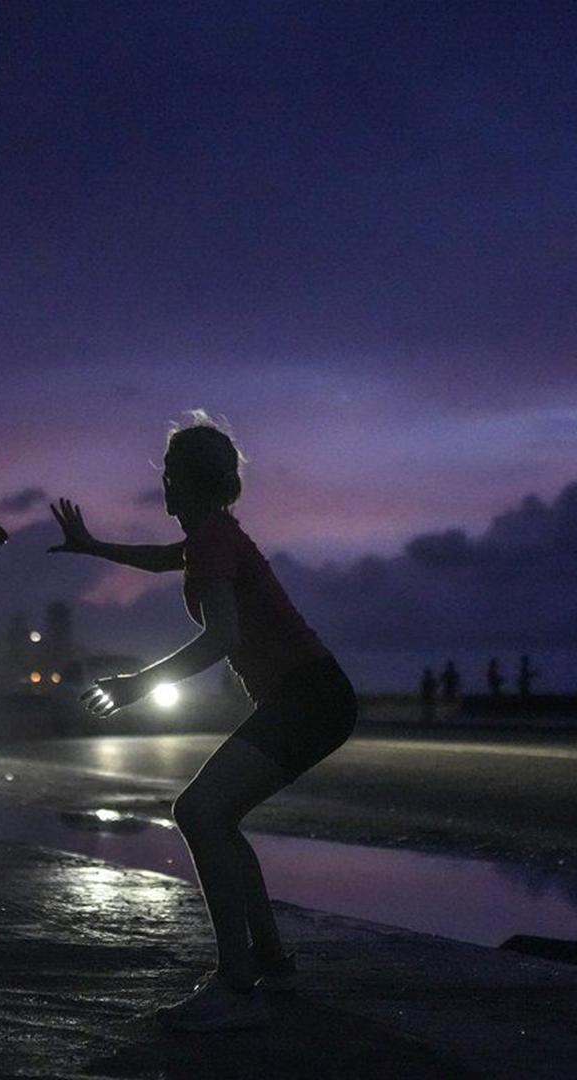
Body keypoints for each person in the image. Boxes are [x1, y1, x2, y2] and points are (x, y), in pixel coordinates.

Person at [48, 412, 356, 1032]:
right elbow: (164, 558)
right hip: (310, 698)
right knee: (219, 816)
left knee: (198, 812)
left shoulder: (214, 539)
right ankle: (269, 962)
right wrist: (94, 546)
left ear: (195, 481)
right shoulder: (211, 537)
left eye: (169, 475)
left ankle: (235, 984)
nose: (162, 485)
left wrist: (137, 685)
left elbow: (221, 637)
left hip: (309, 698)